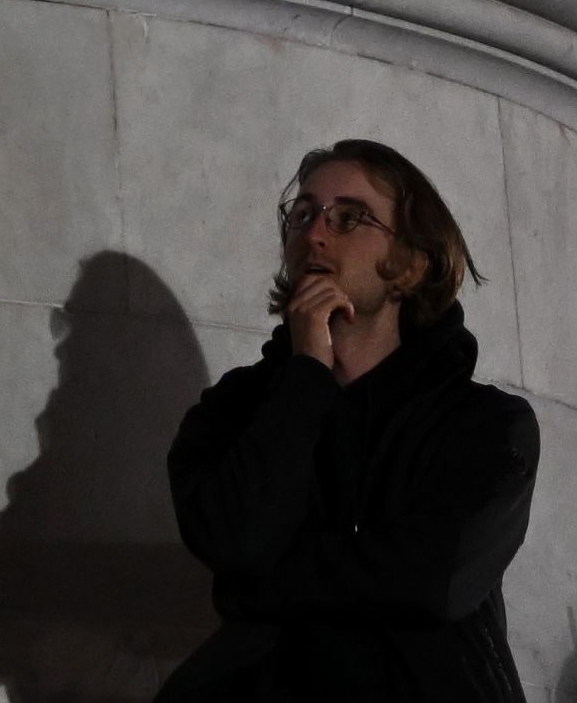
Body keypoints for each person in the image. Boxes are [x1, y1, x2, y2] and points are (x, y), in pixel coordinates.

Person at [158, 141, 538, 703]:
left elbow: (436, 577)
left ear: (410, 263)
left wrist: (256, 589)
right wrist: (306, 373)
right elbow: (235, 539)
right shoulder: (232, 411)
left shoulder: (484, 422)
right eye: (303, 213)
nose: (314, 234)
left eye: (349, 218)